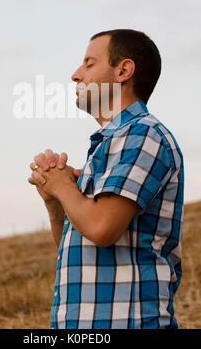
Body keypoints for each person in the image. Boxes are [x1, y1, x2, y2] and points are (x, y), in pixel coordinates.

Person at [28, 29, 184, 329]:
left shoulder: (144, 135)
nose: (75, 75)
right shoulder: (108, 146)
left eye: (89, 63)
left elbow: (101, 229)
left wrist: (63, 185)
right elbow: (80, 254)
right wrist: (57, 201)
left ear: (123, 70)